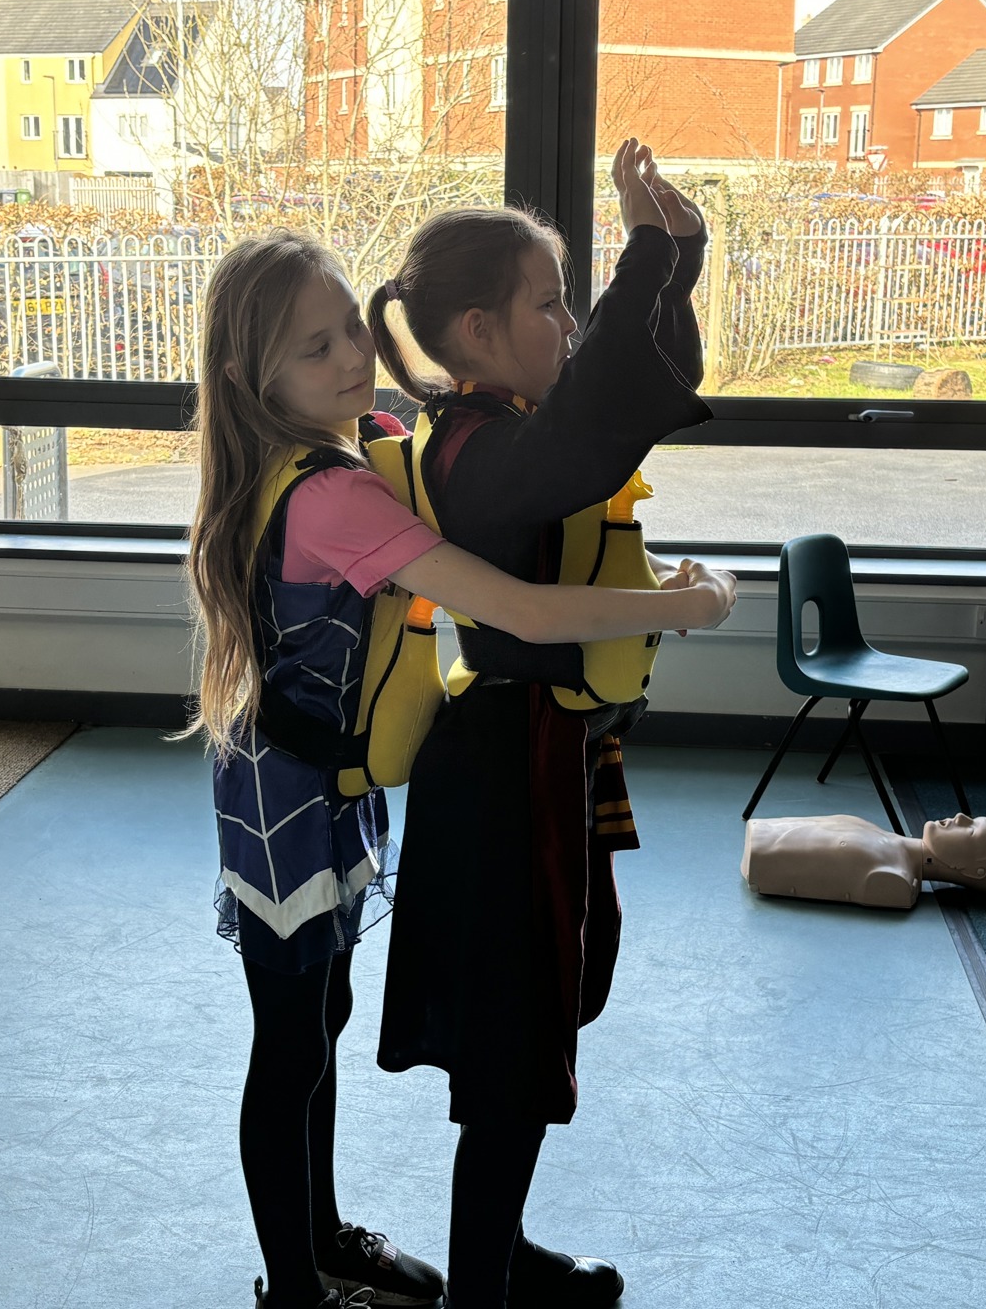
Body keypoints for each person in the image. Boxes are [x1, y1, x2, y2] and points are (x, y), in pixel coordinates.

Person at [184, 229, 735, 1309]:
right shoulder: (331, 497)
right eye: (315, 348)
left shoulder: (340, 449)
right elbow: (521, 608)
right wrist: (684, 602)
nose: (349, 358)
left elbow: (447, 436)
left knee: (320, 1019)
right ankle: (296, 1287)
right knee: (290, 1047)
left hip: (315, 785)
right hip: (289, 807)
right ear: (257, 384)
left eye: (352, 327)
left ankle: (326, 1235)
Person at [367, 141, 710, 1309]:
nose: (566, 325)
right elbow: (584, 436)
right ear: (474, 331)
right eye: (547, 304)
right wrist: (646, 256)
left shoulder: (498, 423)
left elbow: (599, 416)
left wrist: (673, 259)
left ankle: (502, 1250)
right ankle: (482, 1289)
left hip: (544, 760)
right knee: (512, 1054)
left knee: (548, 1010)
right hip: (502, 778)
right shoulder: (474, 449)